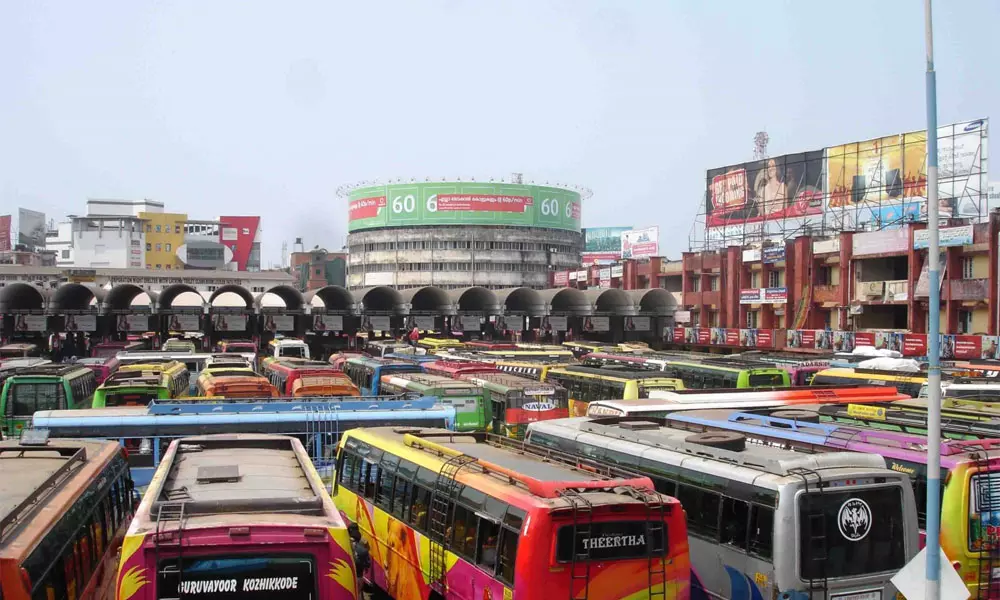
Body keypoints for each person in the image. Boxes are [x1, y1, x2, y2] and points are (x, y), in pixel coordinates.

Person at [347, 523, 370, 595]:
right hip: (359, 576)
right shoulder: (363, 542)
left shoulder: (345, 543)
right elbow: (367, 562)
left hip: (348, 576)